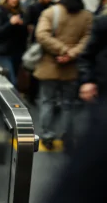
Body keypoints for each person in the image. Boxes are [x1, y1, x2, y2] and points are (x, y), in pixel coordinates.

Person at [44, 14, 107, 203]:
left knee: (50, 101)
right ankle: (65, 136)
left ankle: (52, 134)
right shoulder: (98, 21)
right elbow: (88, 49)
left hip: (57, 65)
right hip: (98, 90)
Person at [34, 0, 92, 150]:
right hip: (71, 68)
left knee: (47, 101)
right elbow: (88, 38)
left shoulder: (50, 13)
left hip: (50, 66)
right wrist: (71, 54)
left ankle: (47, 135)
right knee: (68, 103)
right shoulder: (87, 16)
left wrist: (62, 51)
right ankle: (67, 135)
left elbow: (41, 35)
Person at [24, 0, 56, 105]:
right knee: (34, 71)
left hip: (49, 44)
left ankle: (42, 95)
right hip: (36, 44)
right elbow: (27, 25)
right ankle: (31, 95)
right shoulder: (33, 8)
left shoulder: (54, 8)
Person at [0, 0, 28, 85]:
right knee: (11, 81)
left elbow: (24, 34)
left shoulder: (21, 12)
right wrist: (10, 23)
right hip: (4, 51)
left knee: (14, 78)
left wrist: (23, 25)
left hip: (17, 51)